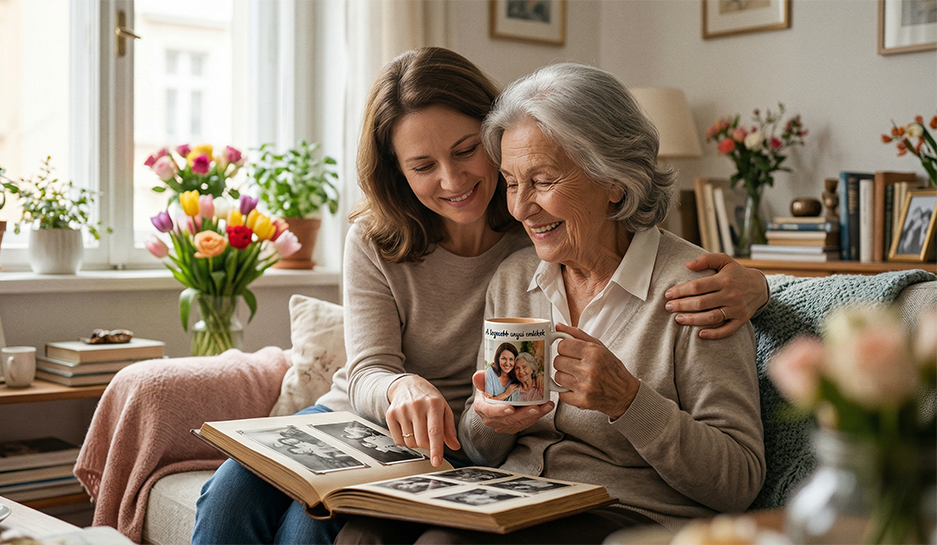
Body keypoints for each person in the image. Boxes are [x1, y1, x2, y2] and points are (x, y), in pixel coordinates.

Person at [192, 48, 769, 545]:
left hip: (589, 501)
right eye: (514, 183)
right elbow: (448, 414)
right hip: (405, 435)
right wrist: (485, 416)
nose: (518, 204)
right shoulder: (516, 271)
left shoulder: (691, 290)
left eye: (539, 181)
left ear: (613, 179)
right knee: (235, 494)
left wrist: (757, 286)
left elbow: (739, 480)